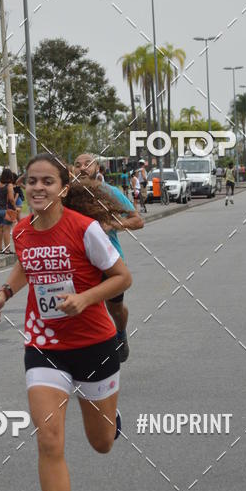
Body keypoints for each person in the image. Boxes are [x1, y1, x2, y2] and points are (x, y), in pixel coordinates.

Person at [0, 153, 132, 491]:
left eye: (47, 181)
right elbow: (24, 267)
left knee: (101, 442)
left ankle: (110, 418)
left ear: (62, 187)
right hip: (44, 344)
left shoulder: (84, 229)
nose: (37, 188)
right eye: (31, 181)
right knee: (48, 439)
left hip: (94, 344)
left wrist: (86, 299)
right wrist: (2, 295)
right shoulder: (22, 231)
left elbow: (123, 277)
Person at [73, 153, 144, 363]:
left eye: (87, 164)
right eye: (78, 165)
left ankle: (120, 333)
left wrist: (113, 224)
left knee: (115, 308)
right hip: (81, 263)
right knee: (83, 308)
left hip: (109, 262)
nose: (82, 168)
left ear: (98, 168)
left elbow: (137, 221)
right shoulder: (69, 196)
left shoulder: (110, 192)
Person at [0, 166, 16, 254]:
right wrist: (14, 207)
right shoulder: (9, 185)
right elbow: (11, 198)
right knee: (7, 230)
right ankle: (7, 249)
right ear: (10, 176)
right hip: (6, 211)